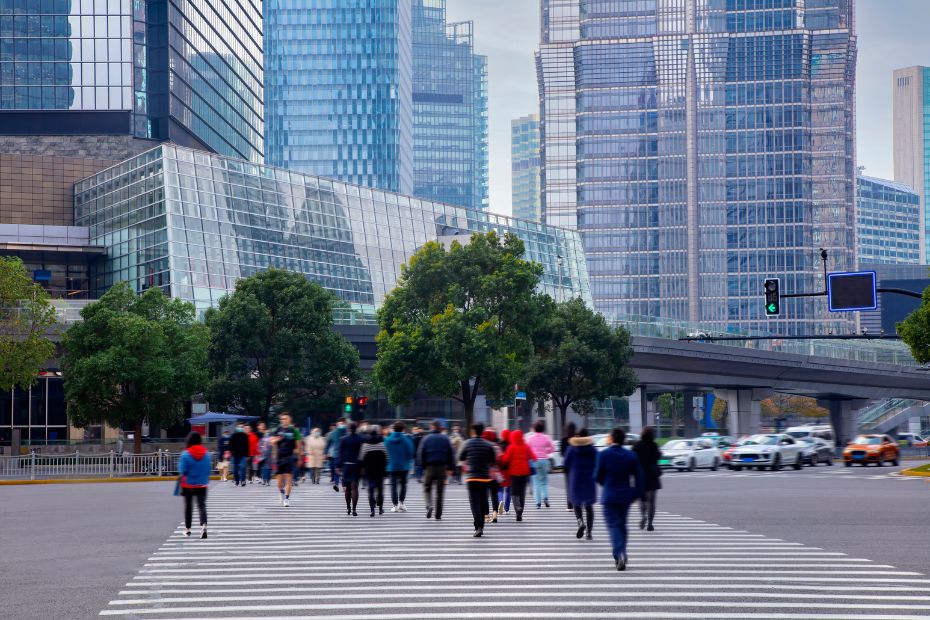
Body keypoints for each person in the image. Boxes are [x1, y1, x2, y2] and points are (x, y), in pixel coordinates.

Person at [595, 427, 644, 571]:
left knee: (613, 526)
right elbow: (640, 477)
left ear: (611, 439)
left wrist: (606, 485)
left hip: (609, 496)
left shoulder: (603, 455)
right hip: (625, 496)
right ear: (624, 440)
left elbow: (597, 476)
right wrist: (635, 494)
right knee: (622, 525)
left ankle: (619, 553)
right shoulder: (630, 456)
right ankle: (623, 551)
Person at [458, 423, 498, 537]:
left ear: (473, 431)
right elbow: (493, 460)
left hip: (472, 477)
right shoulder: (488, 445)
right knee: (483, 499)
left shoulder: (467, 443)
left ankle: (478, 526)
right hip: (484, 477)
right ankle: (482, 524)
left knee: (474, 502)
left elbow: (461, 457)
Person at [564, 427, 597, 540]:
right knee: (589, 507)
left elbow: (566, 465)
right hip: (589, 480)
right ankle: (589, 532)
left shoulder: (571, 449)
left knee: (576, 504)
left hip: (576, 479)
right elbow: (598, 463)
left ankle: (580, 522)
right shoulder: (592, 450)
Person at [418, 420, 454, 520]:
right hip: (442, 467)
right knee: (440, 491)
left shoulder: (426, 438)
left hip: (429, 467)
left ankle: (429, 505)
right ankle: (438, 514)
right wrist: (451, 468)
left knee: (427, 488)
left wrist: (423, 467)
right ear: (440, 428)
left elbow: (421, 454)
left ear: (431, 427)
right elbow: (451, 454)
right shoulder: (445, 439)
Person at [178, 432, 211, 539]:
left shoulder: (185, 454)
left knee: (188, 507)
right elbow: (208, 469)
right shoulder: (206, 454)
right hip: (202, 484)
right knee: (201, 505)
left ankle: (188, 530)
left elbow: (182, 471)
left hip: (188, 485)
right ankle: (204, 526)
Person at [632, 426, 662, 532]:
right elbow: (658, 456)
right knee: (652, 502)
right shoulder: (654, 445)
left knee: (642, 499)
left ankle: (643, 515)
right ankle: (650, 523)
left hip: (640, 476)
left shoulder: (637, 445)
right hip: (652, 476)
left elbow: (632, 458)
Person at [501, 429, 535, 522]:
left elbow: (505, 459)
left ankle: (517, 508)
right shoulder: (526, 446)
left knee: (514, 493)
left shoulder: (511, 447)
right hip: (525, 473)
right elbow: (534, 457)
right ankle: (520, 513)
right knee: (522, 494)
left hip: (514, 473)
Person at [270, 413, 303, 507]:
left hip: (290, 457)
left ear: (289, 419)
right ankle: (281, 492)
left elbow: (298, 445)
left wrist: (299, 457)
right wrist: (277, 440)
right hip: (279, 457)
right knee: (279, 482)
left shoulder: (294, 431)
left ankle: (287, 499)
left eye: (285, 418)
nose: (283, 420)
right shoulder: (277, 429)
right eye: (282, 419)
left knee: (289, 479)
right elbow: (271, 442)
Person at [385, 421, 415, 512]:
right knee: (403, 484)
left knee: (393, 486)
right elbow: (410, 453)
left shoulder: (388, 440)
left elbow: (385, 452)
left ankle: (395, 505)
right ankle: (401, 502)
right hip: (404, 466)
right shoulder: (407, 440)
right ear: (403, 429)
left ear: (393, 429)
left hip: (392, 466)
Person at [527, 420, 556, 508]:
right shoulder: (546, 437)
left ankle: (538, 503)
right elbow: (552, 448)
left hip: (534, 461)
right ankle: (545, 497)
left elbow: (527, 449)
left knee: (536, 482)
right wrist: (545, 451)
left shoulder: (530, 438)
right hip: (544, 460)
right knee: (544, 481)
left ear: (535, 429)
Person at [359, 424, 388, 516]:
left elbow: (361, 457)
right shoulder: (382, 444)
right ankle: (380, 509)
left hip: (369, 469)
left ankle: (372, 509)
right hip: (380, 469)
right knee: (380, 489)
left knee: (371, 489)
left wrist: (362, 467)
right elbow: (387, 457)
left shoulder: (365, 444)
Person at [338, 423, 364, 516]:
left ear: (349, 429)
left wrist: (338, 466)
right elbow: (362, 454)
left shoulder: (343, 439)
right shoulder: (360, 439)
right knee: (354, 488)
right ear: (356, 429)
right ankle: (354, 509)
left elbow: (340, 453)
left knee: (347, 488)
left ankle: (348, 507)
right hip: (356, 465)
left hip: (346, 465)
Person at [482, 428, 502, 524]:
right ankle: (495, 514)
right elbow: (500, 460)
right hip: (495, 475)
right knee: (494, 495)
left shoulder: (483, 446)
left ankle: (486, 515)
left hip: (484, 474)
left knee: (485, 495)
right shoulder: (497, 447)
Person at [326, 420, 347, 491]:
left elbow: (328, 444)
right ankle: (344, 486)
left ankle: (336, 483)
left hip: (336, 454)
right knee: (344, 470)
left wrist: (326, 452)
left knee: (336, 470)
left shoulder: (332, 433)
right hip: (344, 455)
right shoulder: (347, 432)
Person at [560, 422, 577, 511]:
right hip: (577, 465)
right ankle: (578, 502)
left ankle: (569, 505)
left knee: (568, 485)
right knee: (577, 484)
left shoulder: (563, 439)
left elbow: (562, 453)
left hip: (567, 465)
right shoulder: (577, 439)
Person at [497, 429, 512, 515]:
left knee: (499, 489)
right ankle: (507, 509)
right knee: (509, 491)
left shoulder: (499, 445)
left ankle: (500, 501)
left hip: (500, 470)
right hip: (509, 471)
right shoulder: (511, 445)